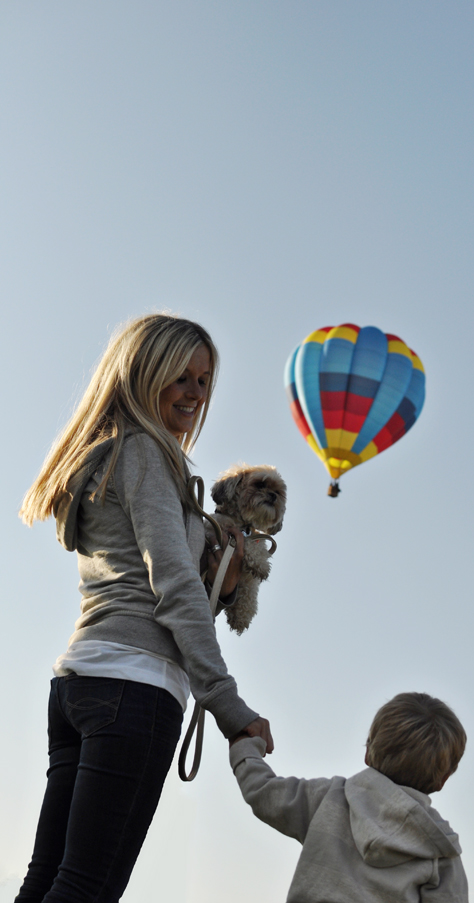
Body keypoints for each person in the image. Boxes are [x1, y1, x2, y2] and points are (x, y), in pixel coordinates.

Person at [16, 313, 273, 903]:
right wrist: (228, 706)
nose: (194, 393)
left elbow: (152, 579)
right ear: (143, 372)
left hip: (79, 683)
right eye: (180, 376)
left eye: (203, 381)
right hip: (136, 688)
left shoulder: (104, 455)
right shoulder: (147, 454)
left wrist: (223, 582)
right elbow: (173, 586)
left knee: (49, 881)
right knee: (87, 889)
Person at [229, 691, 468, 903]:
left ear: (368, 752)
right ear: (443, 779)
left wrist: (244, 745)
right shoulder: (441, 849)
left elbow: (263, 792)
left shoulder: (330, 798)